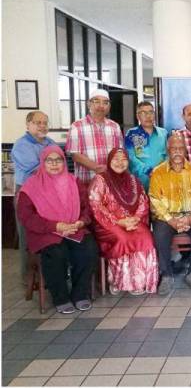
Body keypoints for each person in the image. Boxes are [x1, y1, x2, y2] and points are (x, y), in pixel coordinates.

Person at [16, 146, 98, 314]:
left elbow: (86, 208)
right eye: (49, 160)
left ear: (64, 162)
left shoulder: (74, 182)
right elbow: (27, 217)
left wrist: (81, 222)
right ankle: (60, 297)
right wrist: (55, 226)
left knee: (89, 248)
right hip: (45, 232)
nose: (54, 164)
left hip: (74, 228)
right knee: (56, 252)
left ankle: (80, 294)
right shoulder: (31, 186)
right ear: (42, 162)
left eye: (58, 160)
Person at [149, 135, 191, 294]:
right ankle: (166, 275)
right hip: (167, 217)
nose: (177, 152)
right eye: (173, 149)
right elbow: (154, 199)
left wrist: (190, 217)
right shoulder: (158, 172)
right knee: (159, 233)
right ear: (167, 151)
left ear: (185, 150)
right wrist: (171, 220)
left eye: (180, 148)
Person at [88, 148, 158, 295]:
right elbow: (96, 206)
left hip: (132, 221)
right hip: (108, 224)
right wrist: (119, 222)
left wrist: (136, 219)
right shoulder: (100, 179)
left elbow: (143, 202)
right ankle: (118, 281)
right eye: (116, 159)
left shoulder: (133, 180)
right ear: (109, 161)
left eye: (123, 159)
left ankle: (139, 282)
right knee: (123, 238)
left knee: (146, 237)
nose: (120, 162)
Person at [11, 111, 56, 281]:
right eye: (38, 122)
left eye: (45, 122)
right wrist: (54, 166)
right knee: (27, 234)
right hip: (28, 193)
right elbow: (38, 170)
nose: (43, 126)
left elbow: (58, 164)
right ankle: (29, 277)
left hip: (50, 193)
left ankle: (48, 273)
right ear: (28, 124)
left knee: (48, 231)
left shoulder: (50, 143)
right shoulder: (21, 145)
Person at [65, 88, 124, 185]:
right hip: (86, 182)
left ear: (109, 106)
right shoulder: (77, 126)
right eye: (97, 101)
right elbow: (75, 155)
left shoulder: (115, 126)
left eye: (105, 103)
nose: (101, 106)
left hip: (111, 181)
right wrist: (96, 168)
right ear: (89, 104)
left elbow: (120, 152)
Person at [124, 101, 168, 191]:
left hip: (162, 180)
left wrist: (161, 170)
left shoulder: (164, 133)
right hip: (140, 182)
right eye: (143, 113)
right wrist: (148, 171)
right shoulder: (131, 134)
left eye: (151, 112)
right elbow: (130, 157)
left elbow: (169, 155)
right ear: (138, 116)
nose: (148, 116)